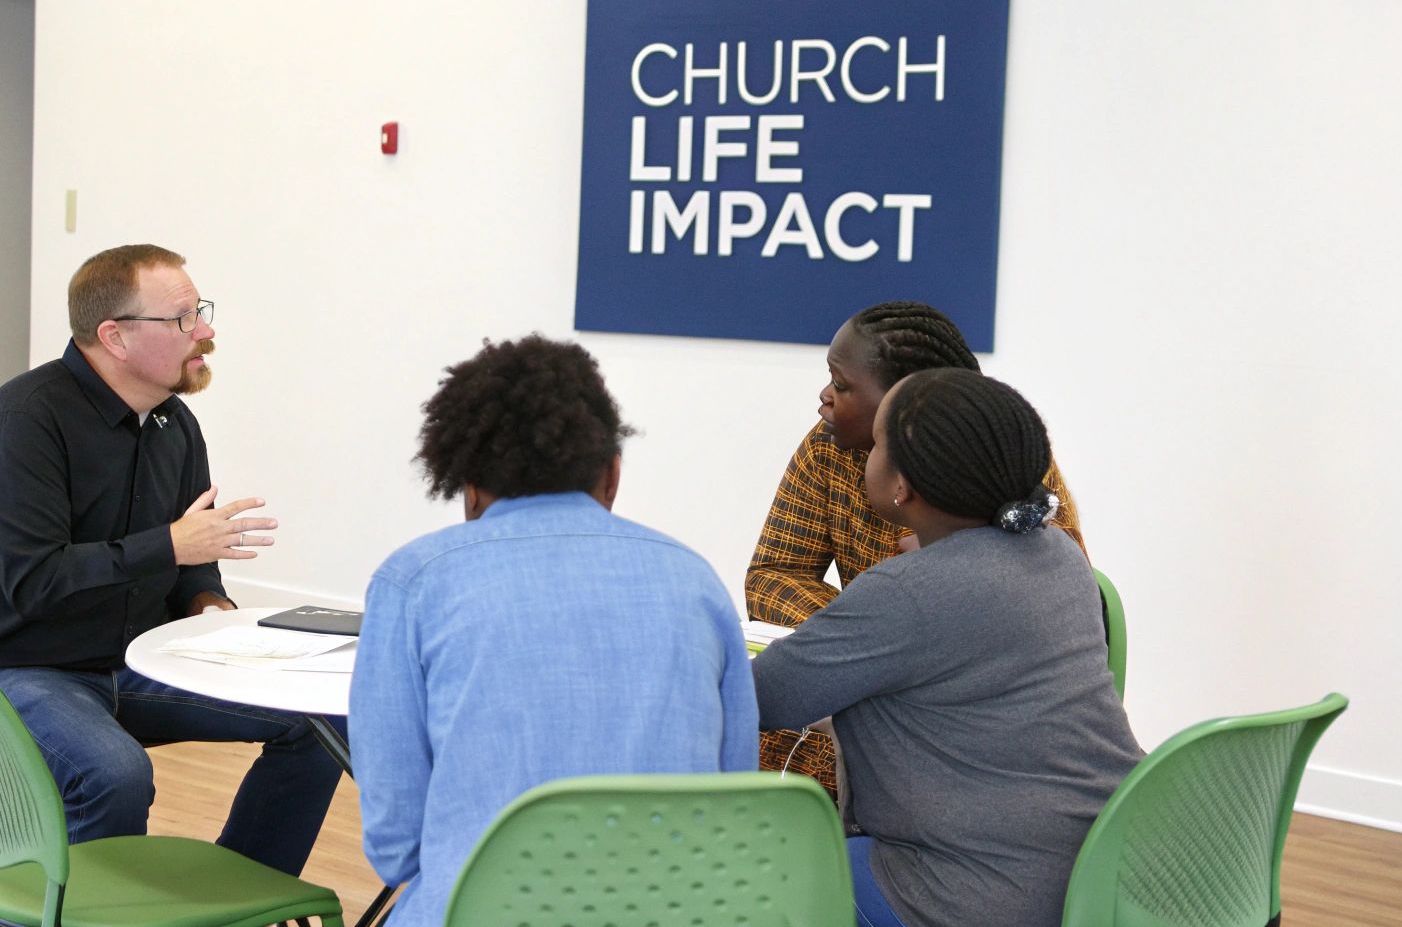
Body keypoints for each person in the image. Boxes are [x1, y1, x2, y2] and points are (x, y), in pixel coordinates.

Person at [0, 243, 340, 874]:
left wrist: (209, 607)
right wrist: (170, 544)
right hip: (5, 665)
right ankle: (74, 913)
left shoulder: (174, 424)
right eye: (184, 318)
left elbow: (191, 563)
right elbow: (35, 583)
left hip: (123, 660)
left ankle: (232, 904)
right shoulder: (25, 421)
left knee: (318, 724)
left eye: (202, 311)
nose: (207, 331)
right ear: (114, 336)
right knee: (113, 774)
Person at [350, 334, 758, 927]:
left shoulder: (412, 583)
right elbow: (733, 792)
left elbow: (396, 847)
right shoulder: (694, 579)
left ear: (468, 489)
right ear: (612, 474)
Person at [751, 368, 1140, 927]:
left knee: (763, 874)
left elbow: (766, 698)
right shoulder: (1058, 555)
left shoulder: (902, 594)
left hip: (977, 896)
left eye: (879, 445)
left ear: (901, 486)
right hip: (1106, 872)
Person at [746, 300, 1086, 783]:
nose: (824, 397)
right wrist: (855, 638)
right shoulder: (1061, 562)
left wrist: (866, 637)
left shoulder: (910, 587)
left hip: (967, 784)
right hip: (1074, 805)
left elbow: (759, 694)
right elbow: (775, 573)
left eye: (841, 385)